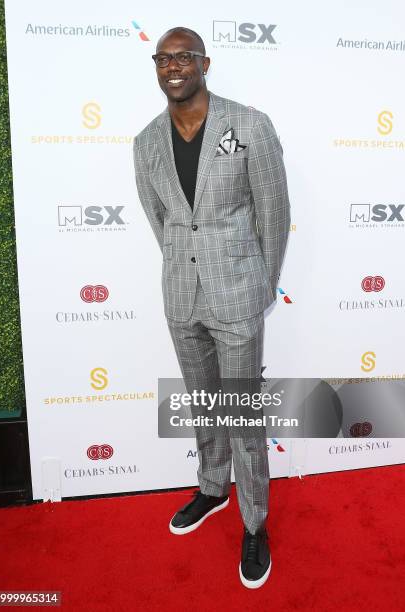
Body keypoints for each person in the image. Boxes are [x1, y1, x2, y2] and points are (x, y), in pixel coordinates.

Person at [133, 26, 291, 589]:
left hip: (238, 295)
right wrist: (185, 264)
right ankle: (211, 487)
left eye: (183, 57)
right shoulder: (146, 141)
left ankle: (255, 521)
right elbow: (163, 220)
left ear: (205, 62)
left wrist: (262, 284)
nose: (173, 67)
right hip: (182, 295)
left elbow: (273, 210)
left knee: (241, 414)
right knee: (205, 402)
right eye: (163, 58)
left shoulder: (248, 125)